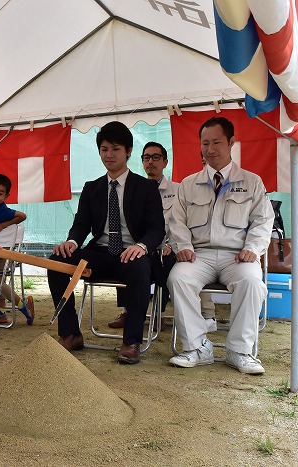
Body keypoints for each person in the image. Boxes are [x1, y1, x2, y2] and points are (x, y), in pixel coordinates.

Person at [47, 121, 165, 364]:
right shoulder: (92, 188)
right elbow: (81, 224)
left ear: (129, 151)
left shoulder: (146, 187)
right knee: (57, 261)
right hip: (99, 252)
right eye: (104, 149)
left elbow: (156, 228)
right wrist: (71, 241)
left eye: (115, 149)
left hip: (131, 253)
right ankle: (70, 333)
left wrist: (141, 247)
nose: (109, 155)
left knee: (140, 268)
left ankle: (131, 342)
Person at [167, 116, 273, 374]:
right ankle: (197, 347)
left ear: (231, 143)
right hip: (198, 255)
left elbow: (263, 220)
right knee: (178, 278)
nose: (210, 149)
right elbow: (176, 221)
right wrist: (184, 246)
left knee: (251, 282)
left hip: (237, 256)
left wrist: (253, 248)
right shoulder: (189, 184)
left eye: (216, 142)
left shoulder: (252, 182)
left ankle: (239, 351)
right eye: (205, 143)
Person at [108, 141, 178, 329]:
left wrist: (172, 246)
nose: (150, 162)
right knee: (123, 253)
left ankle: (159, 314)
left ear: (165, 162)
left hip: (166, 246)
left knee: (166, 260)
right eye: (146, 158)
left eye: (156, 158)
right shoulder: (133, 188)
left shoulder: (178, 191)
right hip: (140, 245)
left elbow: (182, 224)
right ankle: (127, 311)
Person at [0, 173, 34, 325]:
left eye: (0, 193)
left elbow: (22, 216)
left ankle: (23, 305)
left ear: (6, 196)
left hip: (2, 249)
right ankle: (1, 313)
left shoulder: (4, 211)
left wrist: (3, 225)